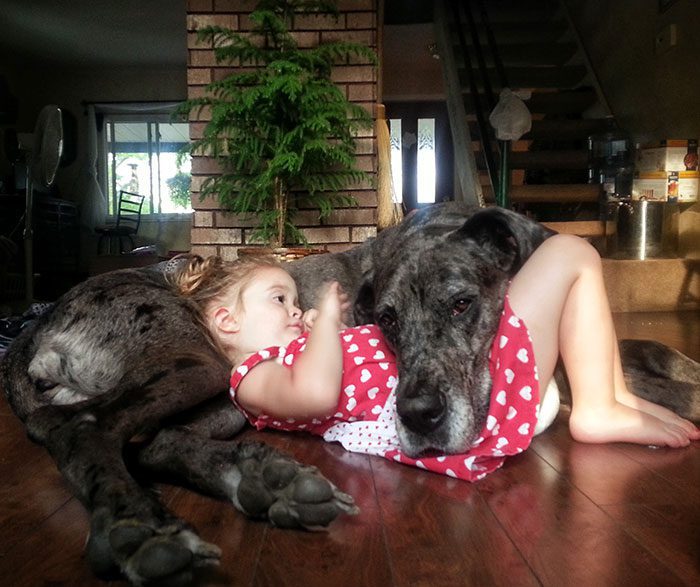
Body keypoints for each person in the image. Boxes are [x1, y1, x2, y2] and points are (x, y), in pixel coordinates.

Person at [172, 237, 699, 481]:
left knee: (565, 268)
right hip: (481, 406)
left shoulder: (290, 355)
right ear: (227, 322)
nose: (295, 308)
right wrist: (327, 325)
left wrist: (316, 336)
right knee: (571, 252)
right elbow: (315, 394)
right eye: (279, 299)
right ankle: (597, 408)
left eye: (293, 298)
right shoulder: (250, 376)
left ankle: (613, 395)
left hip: (474, 389)